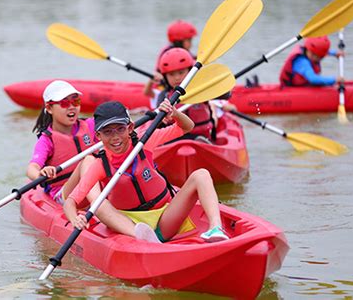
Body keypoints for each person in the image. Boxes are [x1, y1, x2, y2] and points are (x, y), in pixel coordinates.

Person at [63, 100, 229, 243]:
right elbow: (71, 201)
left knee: (201, 174)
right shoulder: (100, 165)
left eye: (120, 129)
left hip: (164, 218)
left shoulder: (145, 141)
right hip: (130, 223)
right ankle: (144, 238)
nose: (115, 137)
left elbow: (187, 127)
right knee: (98, 205)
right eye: (107, 132)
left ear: (130, 128)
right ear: (98, 136)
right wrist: (74, 219)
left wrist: (175, 113)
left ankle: (215, 228)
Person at [27, 80, 97, 205]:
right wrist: (41, 173)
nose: (71, 106)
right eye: (64, 103)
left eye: (75, 101)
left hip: (95, 185)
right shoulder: (47, 140)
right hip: (64, 193)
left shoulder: (90, 125)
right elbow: (32, 168)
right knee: (87, 161)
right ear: (49, 108)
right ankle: (101, 207)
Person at [153, 47, 236, 143]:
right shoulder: (164, 95)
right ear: (165, 76)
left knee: (199, 140)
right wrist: (161, 120)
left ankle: (203, 144)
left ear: (190, 72)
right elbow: (156, 122)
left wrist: (208, 85)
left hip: (200, 137)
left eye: (181, 72)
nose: (177, 77)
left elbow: (227, 95)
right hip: (174, 139)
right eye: (171, 74)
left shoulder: (200, 90)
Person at [144, 20, 198, 108]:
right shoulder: (169, 54)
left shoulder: (184, 52)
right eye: (189, 40)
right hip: (165, 86)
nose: (191, 44)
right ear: (180, 41)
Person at [279, 36, 344, 87]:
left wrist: (335, 53)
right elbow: (313, 79)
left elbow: (323, 52)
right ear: (307, 49)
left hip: (305, 85)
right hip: (295, 89)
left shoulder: (312, 53)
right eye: (314, 55)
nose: (317, 58)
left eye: (321, 57)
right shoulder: (302, 62)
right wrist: (334, 80)